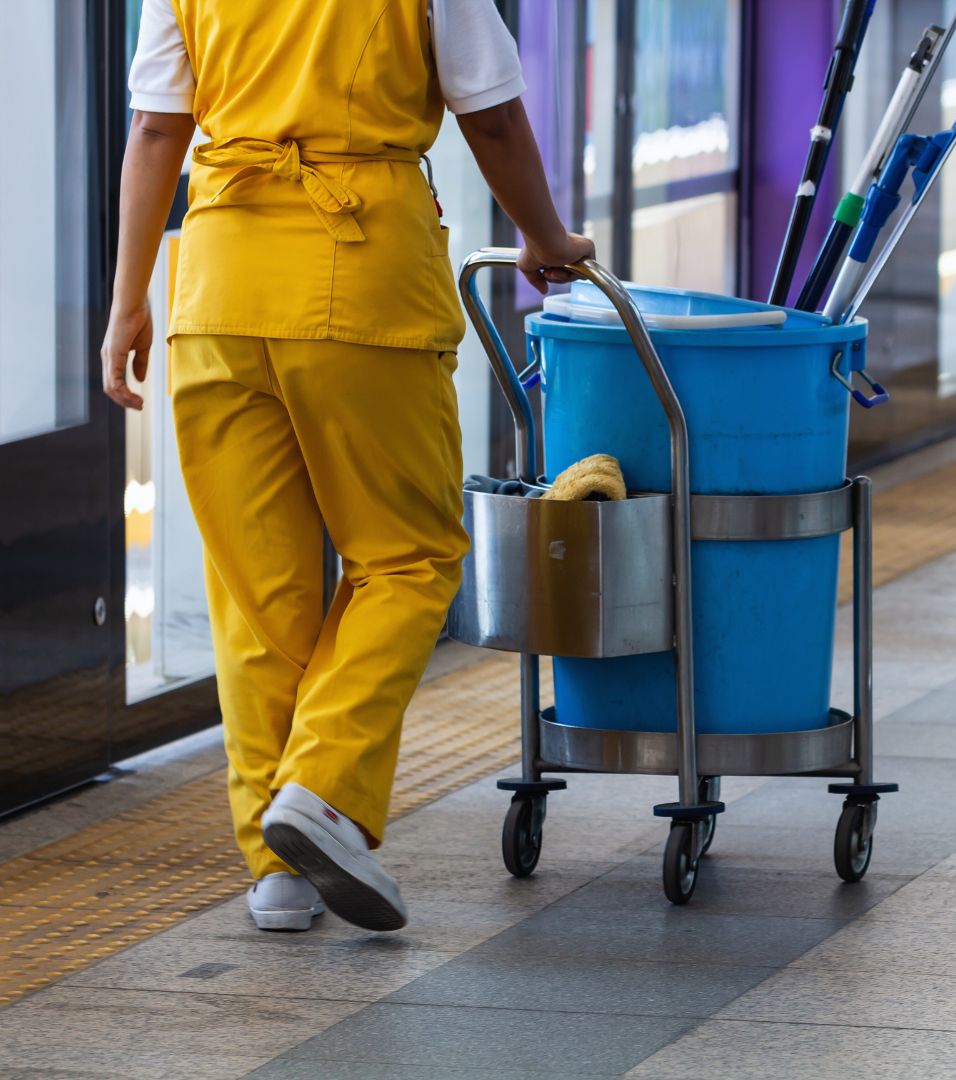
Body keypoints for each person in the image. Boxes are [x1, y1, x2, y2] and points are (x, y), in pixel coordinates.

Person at [104, 0, 594, 934]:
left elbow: (158, 128)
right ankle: (323, 792)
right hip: (359, 272)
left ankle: (278, 873)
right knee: (408, 558)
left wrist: (129, 300)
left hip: (217, 285)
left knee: (260, 597)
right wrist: (544, 236)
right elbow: (490, 113)